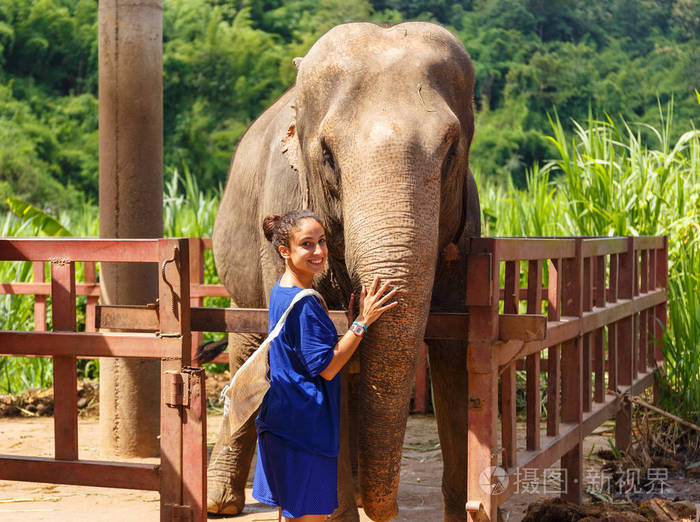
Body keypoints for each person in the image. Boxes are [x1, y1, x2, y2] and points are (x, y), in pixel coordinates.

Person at [253, 209, 398, 522]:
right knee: (309, 517)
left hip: (282, 419)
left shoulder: (282, 290)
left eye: (321, 241)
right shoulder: (304, 303)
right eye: (307, 244)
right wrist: (363, 321)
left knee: (292, 514)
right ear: (284, 251)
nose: (318, 251)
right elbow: (327, 367)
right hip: (304, 428)